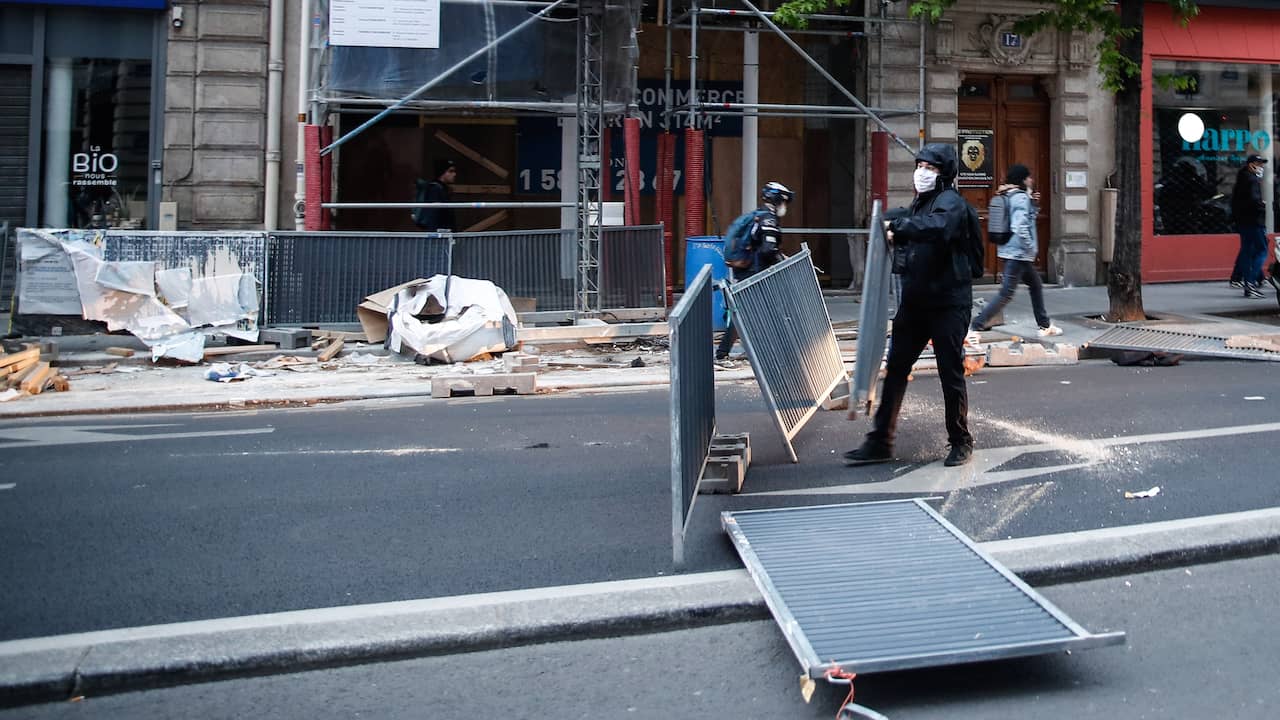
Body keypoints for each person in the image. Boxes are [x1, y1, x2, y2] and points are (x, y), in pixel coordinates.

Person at [844, 143, 975, 468]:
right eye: (919, 165)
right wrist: (893, 225)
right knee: (898, 367)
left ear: (943, 173)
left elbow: (938, 228)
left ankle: (961, 441)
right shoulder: (920, 205)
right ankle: (880, 441)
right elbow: (911, 226)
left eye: (929, 168)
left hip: (948, 303)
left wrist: (899, 228)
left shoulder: (951, 204)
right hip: (917, 303)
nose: (922, 172)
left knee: (950, 372)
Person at [970, 165, 1062, 337]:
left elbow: (1024, 217)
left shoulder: (1009, 195)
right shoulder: (1020, 198)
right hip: (1018, 253)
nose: (1031, 180)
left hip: (1011, 251)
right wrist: (1030, 247)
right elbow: (1020, 226)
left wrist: (1032, 203)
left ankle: (1044, 324)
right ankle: (977, 324)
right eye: (1028, 177)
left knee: (1035, 285)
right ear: (1022, 179)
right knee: (1006, 293)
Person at [715, 181, 793, 361]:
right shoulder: (769, 219)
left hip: (746, 270)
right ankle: (729, 353)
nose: (785, 207)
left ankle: (729, 352)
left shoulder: (759, 216)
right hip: (755, 272)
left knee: (744, 313)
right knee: (759, 311)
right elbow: (768, 249)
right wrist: (780, 261)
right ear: (778, 200)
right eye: (785, 202)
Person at [1230, 153, 1268, 298]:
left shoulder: (1241, 179)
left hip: (1243, 221)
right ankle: (1251, 283)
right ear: (1251, 165)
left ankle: (1247, 283)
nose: (1261, 167)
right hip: (1254, 220)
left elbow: (1236, 201)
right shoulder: (1252, 180)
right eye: (1259, 164)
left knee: (1246, 251)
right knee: (1261, 250)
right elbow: (1254, 200)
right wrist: (1262, 206)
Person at [413, 160, 458, 232]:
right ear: (442, 173)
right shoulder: (435, 189)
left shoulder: (443, 189)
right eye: (450, 171)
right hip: (439, 237)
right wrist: (435, 237)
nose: (454, 174)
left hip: (446, 235)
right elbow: (433, 216)